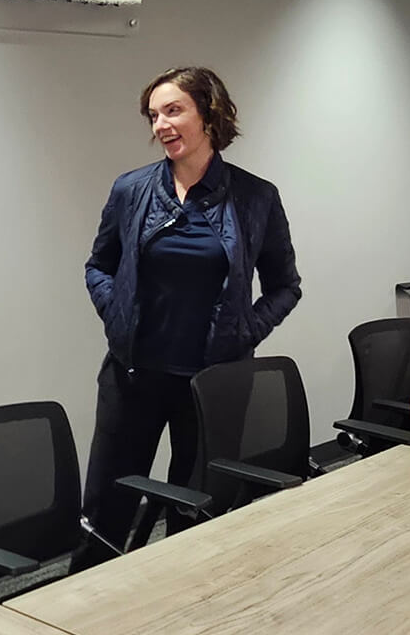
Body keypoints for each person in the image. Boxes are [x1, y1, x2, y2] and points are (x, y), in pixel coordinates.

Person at [77, 67, 301, 569]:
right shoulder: (132, 190)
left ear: (209, 114)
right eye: (154, 115)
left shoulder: (254, 198)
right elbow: (99, 266)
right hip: (133, 376)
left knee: (198, 515)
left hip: (212, 383)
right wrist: (116, 315)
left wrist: (247, 329)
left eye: (173, 110)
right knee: (106, 512)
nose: (161, 125)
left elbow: (286, 285)